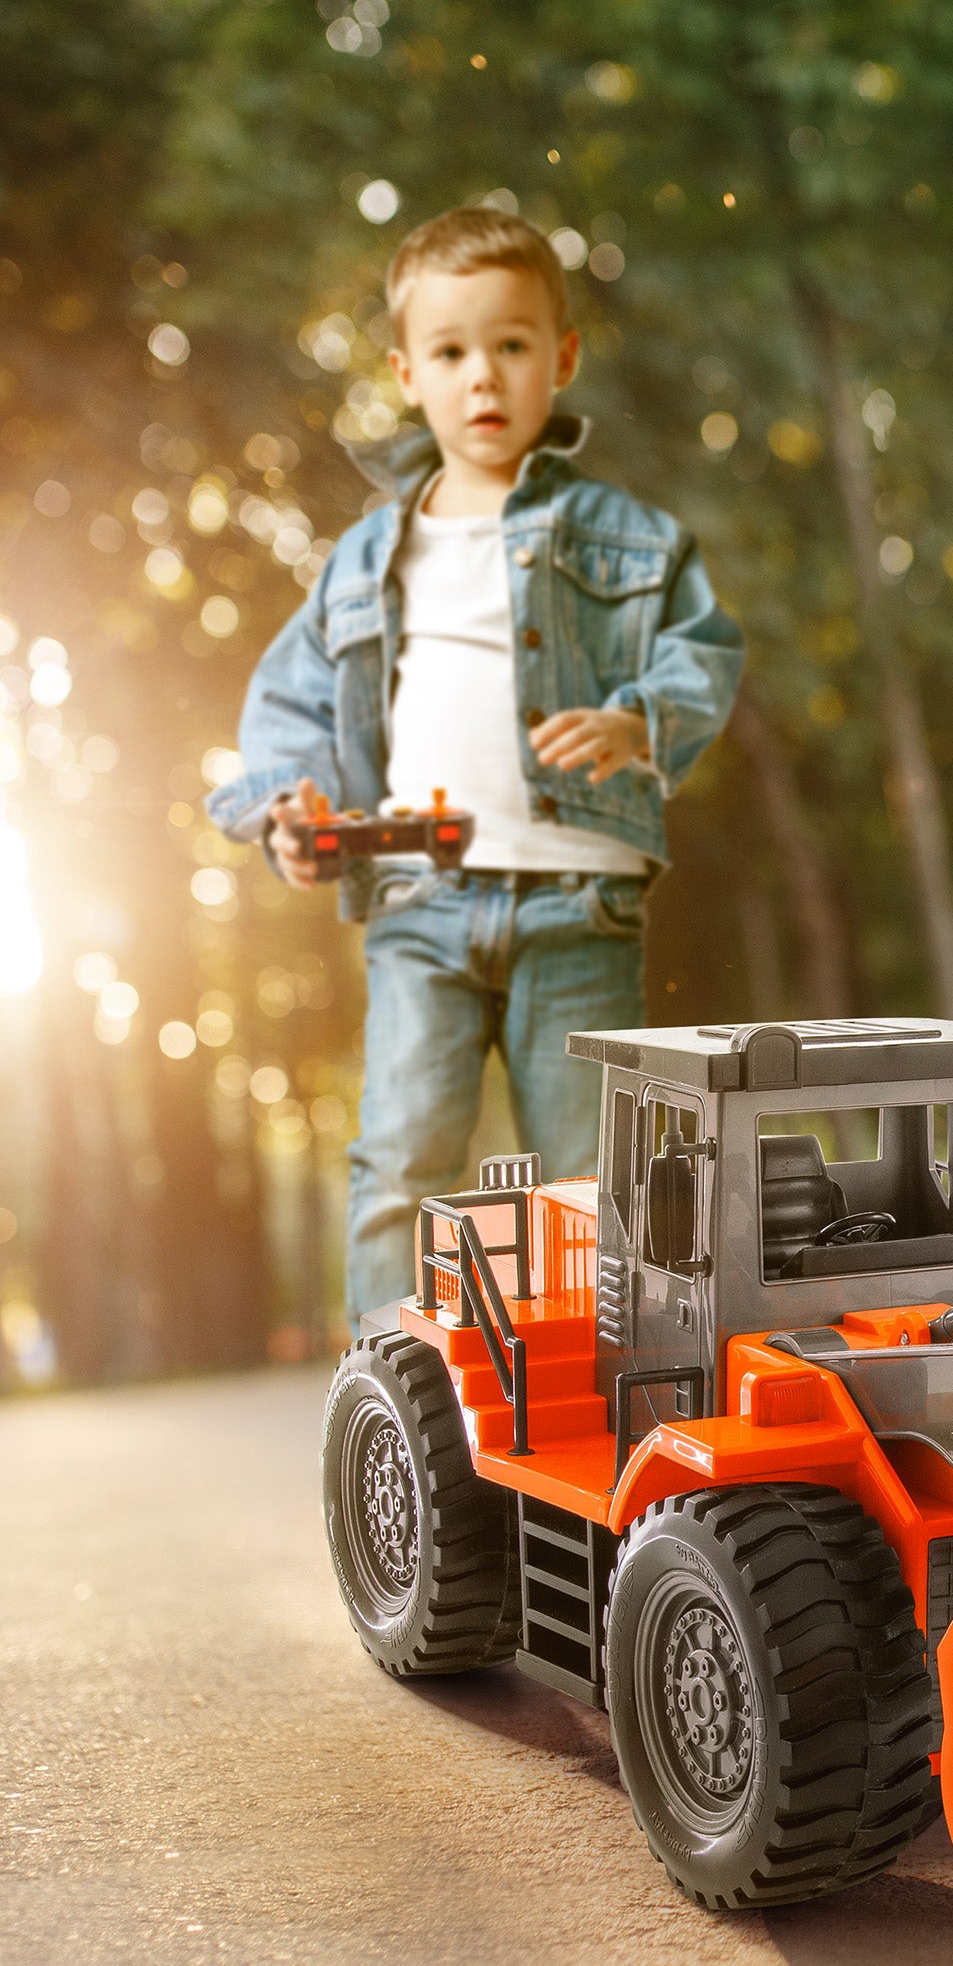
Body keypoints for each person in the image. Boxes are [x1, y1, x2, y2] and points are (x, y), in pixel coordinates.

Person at [207, 206, 742, 1325]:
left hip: (579, 902)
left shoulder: (625, 535)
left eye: (510, 344)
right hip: (418, 901)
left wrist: (640, 720)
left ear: (563, 357)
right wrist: (286, 809)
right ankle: (384, 1401)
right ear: (408, 373)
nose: (482, 377)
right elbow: (289, 707)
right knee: (401, 1159)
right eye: (451, 352)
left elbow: (704, 649)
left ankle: (612, 1403)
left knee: (596, 1182)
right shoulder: (363, 559)